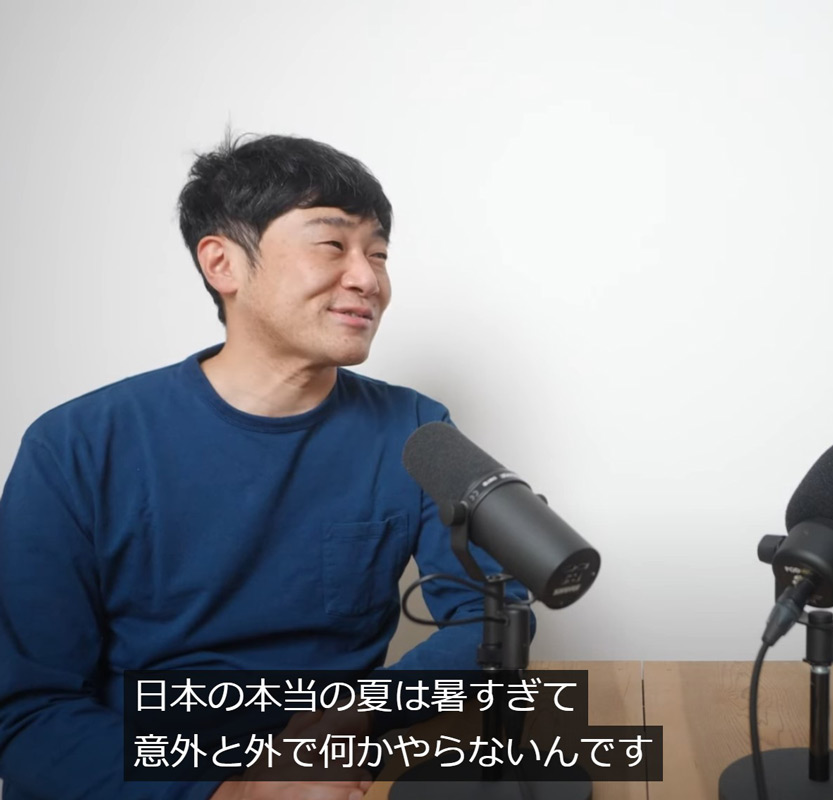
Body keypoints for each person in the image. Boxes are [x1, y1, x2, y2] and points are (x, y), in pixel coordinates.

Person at [0, 133, 527, 800]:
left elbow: (492, 618)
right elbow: (25, 713)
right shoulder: (74, 446)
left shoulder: (416, 430)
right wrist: (231, 792)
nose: (368, 278)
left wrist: (353, 717)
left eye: (379, 254)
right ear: (223, 263)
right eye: (332, 245)